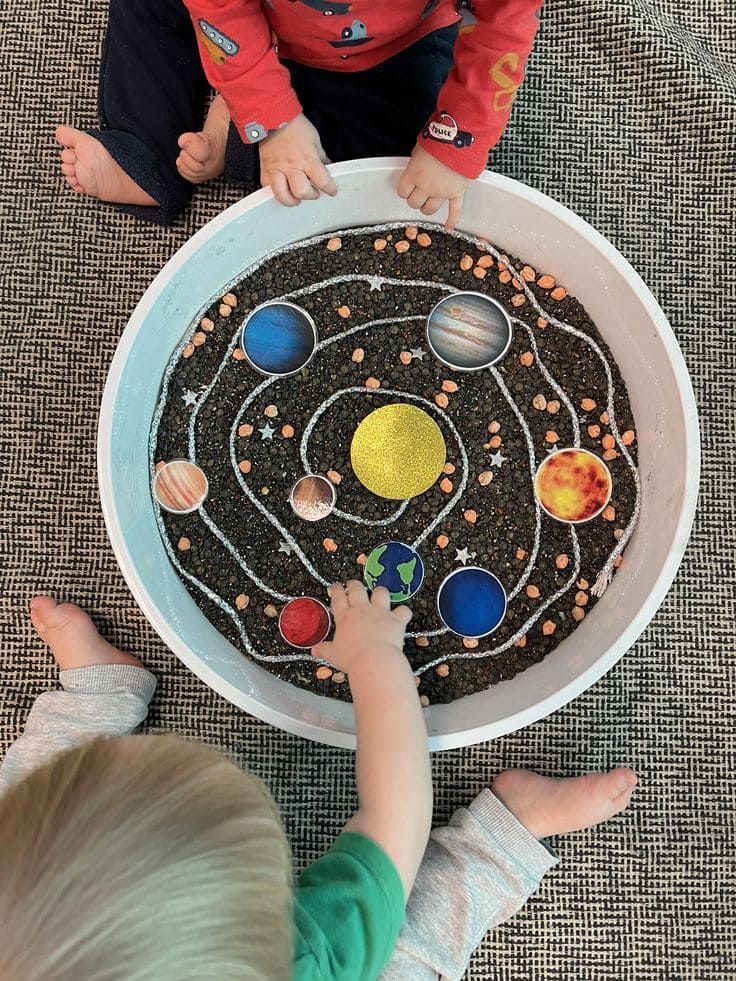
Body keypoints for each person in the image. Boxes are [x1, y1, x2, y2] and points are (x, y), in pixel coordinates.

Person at [0, 588, 637, 980]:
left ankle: (93, 706)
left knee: (29, 797)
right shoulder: (304, 959)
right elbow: (397, 812)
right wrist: (374, 657)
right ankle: (504, 839)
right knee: (409, 952)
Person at [55, 0, 543, 228]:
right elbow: (219, 11)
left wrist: (453, 139)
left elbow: (503, 25)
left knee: (392, 184)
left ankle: (236, 132)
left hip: (393, 47)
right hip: (249, 25)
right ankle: (144, 151)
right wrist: (275, 121)